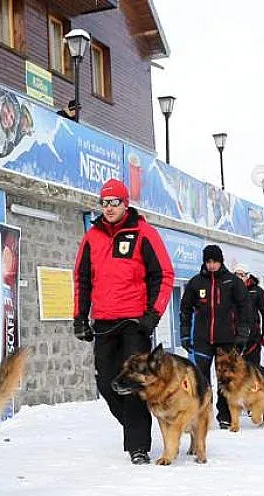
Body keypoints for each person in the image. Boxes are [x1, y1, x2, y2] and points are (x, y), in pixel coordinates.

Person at [72, 178, 174, 464]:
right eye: (104, 203)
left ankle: (138, 446)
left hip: (134, 323)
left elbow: (164, 275)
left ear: (125, 203)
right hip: (104, 322)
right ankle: (134, 429)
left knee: (133, 384)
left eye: (114, 202)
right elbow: (81, 278)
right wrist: (80, 316)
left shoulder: (144, 232)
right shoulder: (92, 237)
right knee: (106, 383)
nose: (108, 208)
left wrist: (152, 314)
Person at [179, 247, 253, 429]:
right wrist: (185, 334)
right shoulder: (195, 283)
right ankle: (203, 414)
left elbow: (245, 310)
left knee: (225, 380)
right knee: (201, 379)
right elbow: (185, 309)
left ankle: (225, 415)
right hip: (202, 338)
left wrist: (243, 334)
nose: (211, 265)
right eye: (208, 262)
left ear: (221, 262)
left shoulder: (233, 282)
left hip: (227, 339)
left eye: (215, 262)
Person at [233, 263, 264, 369]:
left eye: (242, 275)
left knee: (253, 371)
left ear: (247, 276)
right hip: (234, 338)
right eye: (237, 275)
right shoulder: (229, 291)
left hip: (253, 339)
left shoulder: (258, 292)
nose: (239, 278)